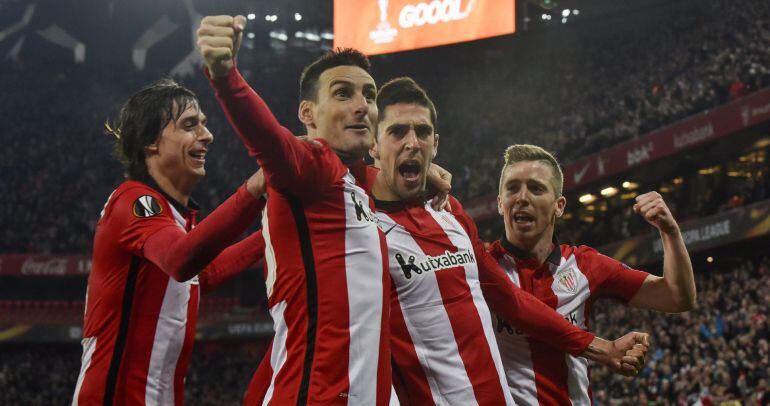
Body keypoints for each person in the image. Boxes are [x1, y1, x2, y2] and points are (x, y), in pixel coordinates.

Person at [369, 77, 650, 405]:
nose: (413, 142)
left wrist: (601, 348)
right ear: (372, 145)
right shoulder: (361, 223)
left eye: (423, 132)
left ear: (436, 144)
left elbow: (511, 301)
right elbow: (305, 162)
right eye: (397, 131)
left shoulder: (450, 212)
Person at [72, 79, 267, 406]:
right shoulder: (133, 201)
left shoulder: (177, 219)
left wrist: (275, 227)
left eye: (204, 125)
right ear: (150, 142)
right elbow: (180, 260)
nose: (207, 136)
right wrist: (253, 190)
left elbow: (204, 273)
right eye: (190, 125)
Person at [488, 144, 697, 404]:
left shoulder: (586, 265)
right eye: (512, 188)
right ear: (500, 203)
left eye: (536, 188)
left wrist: (670, 232)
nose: (522, 197)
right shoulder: (477, 270)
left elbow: (677, 297)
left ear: (559, 206)